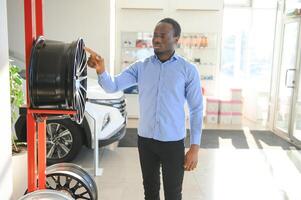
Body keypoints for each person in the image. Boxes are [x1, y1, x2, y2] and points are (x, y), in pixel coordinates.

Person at [85, 17, 203, 200]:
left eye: (163, 35)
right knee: (150, 190)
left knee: (173, 193)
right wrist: (101, 70)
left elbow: (196, 109)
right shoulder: (141, 67)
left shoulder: (188, 70)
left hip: (173, 142)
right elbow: (113, 86)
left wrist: (195, 148)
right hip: (146, 141)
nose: (157, 39)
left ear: (176, 39)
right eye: (155, 35)